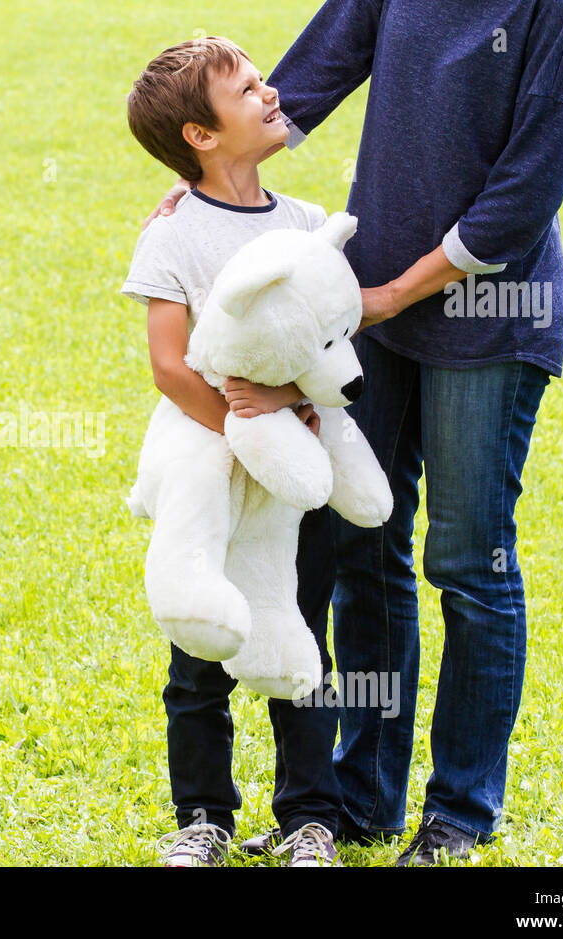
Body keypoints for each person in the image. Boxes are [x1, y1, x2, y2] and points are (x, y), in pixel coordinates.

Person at [144, 0, 563, 865]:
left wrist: (393, 293)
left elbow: (532, 180)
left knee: (468, 562)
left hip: (486, 317)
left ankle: (460, 811)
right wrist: (203, 172)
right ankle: (364, 797)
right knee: (364, 545)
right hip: (359, 309)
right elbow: (314, 67)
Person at [121, 36, 350, 867]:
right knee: (201, 651)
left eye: (262, 80)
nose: (271, 93)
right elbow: (168, 365)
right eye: (249, 89)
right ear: (201, 137)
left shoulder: (303, 226)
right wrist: (238, 434)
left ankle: (310, 816)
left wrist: (287, 410)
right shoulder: (173, 235)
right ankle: (204, 815)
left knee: (298, 632)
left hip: (293, 469)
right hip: (212, 468)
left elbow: (326, 346)